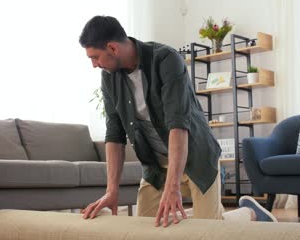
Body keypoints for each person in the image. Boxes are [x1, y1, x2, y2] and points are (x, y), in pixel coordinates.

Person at [79, 15, 277, 227]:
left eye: (95, 57)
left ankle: (249, 213)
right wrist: (111, 190)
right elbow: (114, 133)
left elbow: (178, 124)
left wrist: (172, 187)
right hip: (156, 165)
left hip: (195, 156)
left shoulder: (166, 59)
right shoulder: (109, 76)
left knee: (206, 230)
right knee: (147, 229)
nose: (94, 65)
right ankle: (212, 213)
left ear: (113, 48)